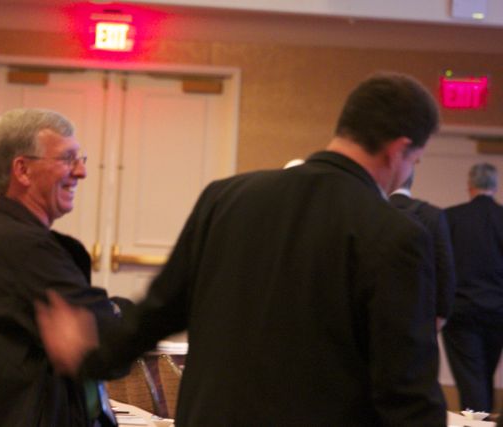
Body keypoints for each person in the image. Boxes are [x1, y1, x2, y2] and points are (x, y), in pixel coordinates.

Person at [36, 72, 447, 426]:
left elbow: (159, 310)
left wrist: (91, 353)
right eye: (415, 160)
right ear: (399, 149)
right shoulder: (396, 234)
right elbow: (405, 389)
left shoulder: (228, 198)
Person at [0, 108, 121, 427]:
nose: (81, 172)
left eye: (80, 159)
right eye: (68, 159)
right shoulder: (25, 245)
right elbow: (105, 346)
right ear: (23, 170)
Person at [442, 162, 503, 412]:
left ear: (469, 185)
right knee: (485, 374)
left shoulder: (450, 218)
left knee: (470, 378)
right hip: (498, 312)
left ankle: (477, 423)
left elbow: (441, 265)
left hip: (461, 311)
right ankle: (485, 420)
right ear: (495, 187)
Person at [390, 173, 456, 330]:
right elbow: (445, 267)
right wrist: (442, 313)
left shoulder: (370, 211)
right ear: (411, 182)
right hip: (421, 308)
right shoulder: (433, 215)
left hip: (380, 308)